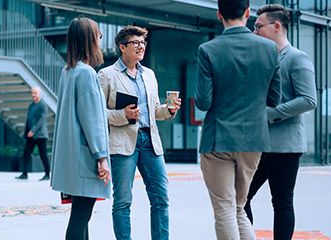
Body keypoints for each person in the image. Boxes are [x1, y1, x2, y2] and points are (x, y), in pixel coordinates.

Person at [194, 0, 282, 239]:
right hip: (254, 140)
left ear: (219, 14)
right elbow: (275, 98)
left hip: (218, 139)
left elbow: (202, 102)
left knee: (225, 209)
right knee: (238, 208)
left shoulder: (208, 50)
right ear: (248, 13)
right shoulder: (269, 49)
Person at [98, 25, 181, 240]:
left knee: (161, 199)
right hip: (123, 143)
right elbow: (97, 114)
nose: (141, 46)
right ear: (122, 47)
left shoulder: (150, 75)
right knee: (123, 201)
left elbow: (154, 111)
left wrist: (169, 110)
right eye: (135, 43)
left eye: (143, 43)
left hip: (151, 142)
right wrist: (122, 115)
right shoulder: (107, 75)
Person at [245, 4, 317, 240]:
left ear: (276, 26)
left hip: (285, 146)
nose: (254, 32)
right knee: (240, 198)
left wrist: (269, 113)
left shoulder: (297, 58)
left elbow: (308, 99)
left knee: (282, 203)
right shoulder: (262, 58)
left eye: (258, 27)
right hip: (259, 144)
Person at [50, 16, 111, 240]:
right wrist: (101, 156)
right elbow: (92, 119)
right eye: (98, 35)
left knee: (81, 216)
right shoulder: (86, 73)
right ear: (89, 40)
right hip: (85, 158)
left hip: (72, 156)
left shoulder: (69, 71)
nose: (100, 40)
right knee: (80, 217)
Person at [15, 87, 51, 181]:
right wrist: (27, 132)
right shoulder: (31, 106)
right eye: (32, 93)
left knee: (43, 155)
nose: (33, 95)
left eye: (35, 93)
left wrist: (33, 130)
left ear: (39, 94)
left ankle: (47, 174)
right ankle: (24, 174)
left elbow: (41, 120)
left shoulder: (43, 105)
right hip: (30, 135)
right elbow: (28, 120)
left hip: (40, 135)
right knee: (26, 154)